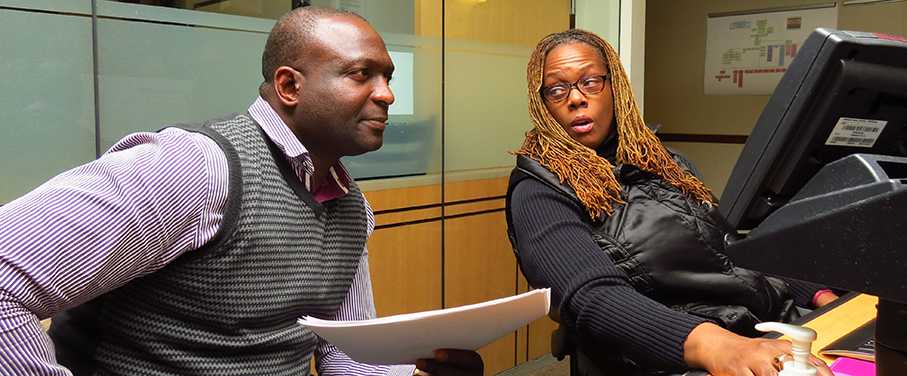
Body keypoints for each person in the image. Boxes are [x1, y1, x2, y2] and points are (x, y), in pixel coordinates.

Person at [0, 7, 482, 376]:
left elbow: (343, 352)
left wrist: (417, 369)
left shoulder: (349, 205)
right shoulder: (193, 168)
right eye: (362, 74)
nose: (387, 95)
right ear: (289, 86)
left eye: (388, 78)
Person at [504, 29, 837, 376]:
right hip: (684, 353)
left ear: (614, 86)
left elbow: (728, 248)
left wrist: (820, 297)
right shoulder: (539, 189)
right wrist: (719, 347)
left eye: (590, 82)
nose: (575, 98)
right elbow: (593, 297)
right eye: (557, 89)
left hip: (765, 325)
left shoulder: (665, 162)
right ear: (542, 104)